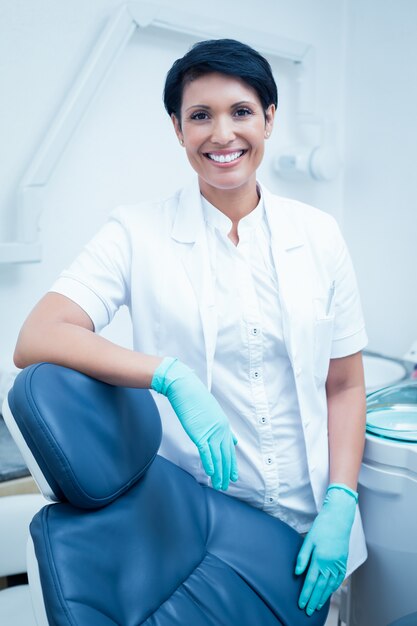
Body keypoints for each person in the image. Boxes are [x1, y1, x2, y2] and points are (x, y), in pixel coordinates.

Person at [14, 38, 368, 617]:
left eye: (242, 112)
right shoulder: (136, 234)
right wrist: (168, 375)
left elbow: (345, 385)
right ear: (178, 130)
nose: (222, 134)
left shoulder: (320, 235)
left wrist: (342, 501)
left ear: (270, 120)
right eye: (200, 116)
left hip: (317, 527)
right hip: (204, 533)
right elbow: (38, 336)